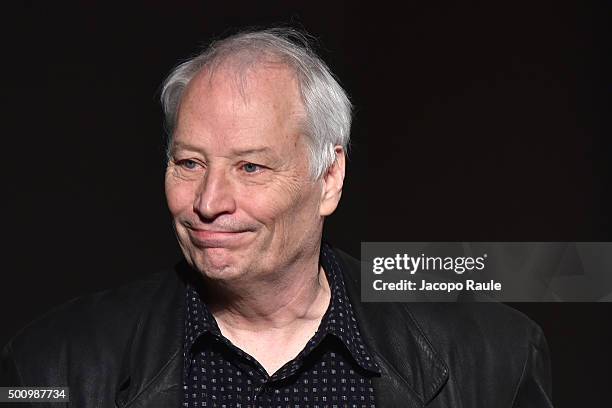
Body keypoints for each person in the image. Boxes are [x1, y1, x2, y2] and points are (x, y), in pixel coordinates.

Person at [1, 28, 553, 407]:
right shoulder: (53, 367)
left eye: (251, 166)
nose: (209, 201)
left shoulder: (493, 359)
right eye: (189, 162)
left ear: (329, 178)